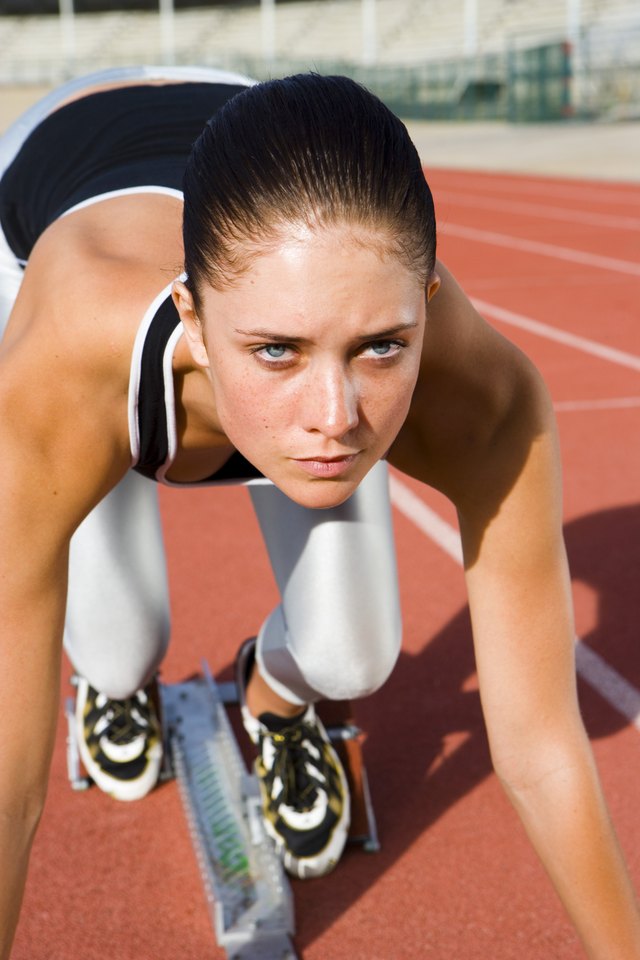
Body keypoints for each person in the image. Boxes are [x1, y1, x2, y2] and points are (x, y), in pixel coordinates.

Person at [0, 66, 638, 960]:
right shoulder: (59, 373)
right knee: (117, 648)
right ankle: (114, 690)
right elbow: (9, 788)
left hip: (255, 137)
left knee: (350, 654)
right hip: (63, 166)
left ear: (426, 307)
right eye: (276, 352)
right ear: (193, 312)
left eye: (382, 347)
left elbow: (538, 746)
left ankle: (274, 693)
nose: (335, 418)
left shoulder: (487, 398)